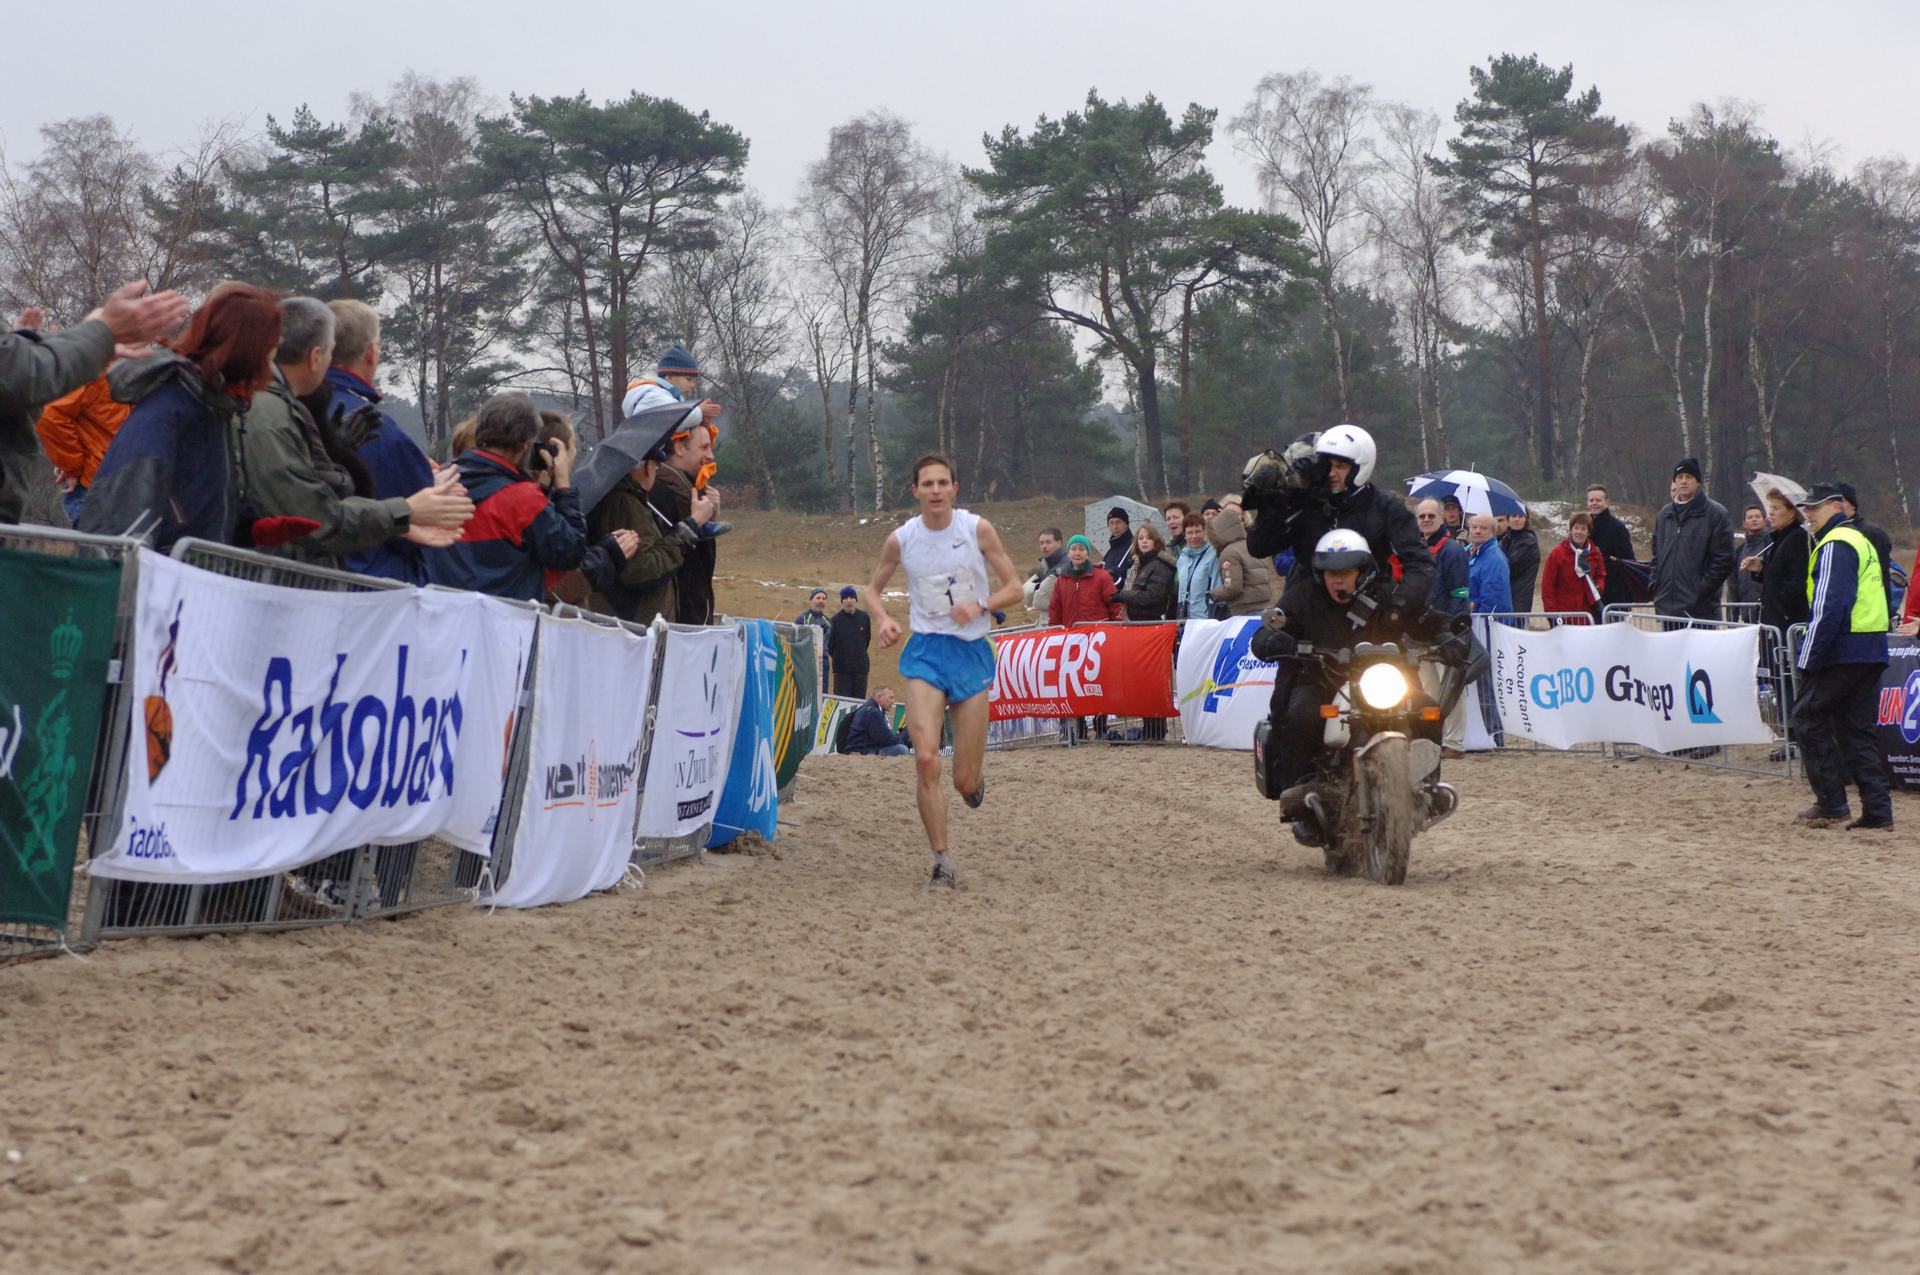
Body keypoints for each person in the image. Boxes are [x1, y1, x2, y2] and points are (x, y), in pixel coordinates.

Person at [864, 453, 1022, 889]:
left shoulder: (977, 529)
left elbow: (1015, 589)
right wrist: (884, 619)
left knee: (963, 780)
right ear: (915, 491)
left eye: (942, 483)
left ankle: (973, 783)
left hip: (970, 652)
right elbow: (872, 590)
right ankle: (941, 861)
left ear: (954, 488)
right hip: (926, 653)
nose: (935, 490)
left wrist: (980, 605)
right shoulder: (901, 539)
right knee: (925, 757)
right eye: (927, 484)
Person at [238, 297, 472, 566]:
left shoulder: (279, 405)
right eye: (329, 352)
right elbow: (313, 517)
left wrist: (334, 450)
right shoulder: (272, 414)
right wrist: (408, 509)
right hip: (338, 573)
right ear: (315, 357)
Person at [1251, 529, 1439, 829]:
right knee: (1302, 715)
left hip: (1380, 680)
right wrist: (1273, 640)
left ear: (1361, 572)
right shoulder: (1302, 597)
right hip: (1322, 678)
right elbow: (1270, 629)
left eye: (1345, 572)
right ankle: (1303, 789)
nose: (1337, 580)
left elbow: (1421, 618)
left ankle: (1428, 787)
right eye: (1331, 573)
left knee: (1428, 709)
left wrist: (1449, 633)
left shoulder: (1385, 595)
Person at [79, 286, 282, 547]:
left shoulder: (212, 407)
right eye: (268, 351)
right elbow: (117, 525)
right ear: (246, 352)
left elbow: (199, 504)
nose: (271, 367)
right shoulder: (171, 409)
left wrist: (249, 530)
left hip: (186, 568)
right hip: (163, 569)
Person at [3, 281, 188, 526]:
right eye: (133, 321)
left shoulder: (137, 372)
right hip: (95, 489)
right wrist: (74, 467)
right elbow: (52, 416)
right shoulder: (95, 369)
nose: (142, 332)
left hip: (125, 487)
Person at [1242, 424, 1433, 629]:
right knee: (1270, 642)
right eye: (1327, 465)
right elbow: (1259, 547)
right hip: (1309, 610)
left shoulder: (1385, 506)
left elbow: (1420, 564)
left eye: (1340, 466)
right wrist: (1278, 501)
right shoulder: (1307, 503)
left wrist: (1398, 608)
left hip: (1369, 611)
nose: (1331, 473)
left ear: (1360, 468)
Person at [428, 391, 611, 602]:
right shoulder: (523, 499)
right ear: (526, 445)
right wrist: (563, 486)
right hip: (504, 615)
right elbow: (570, 553)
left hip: (440, 611)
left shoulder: (439, 480)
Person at [1792, 482, 1892, 831]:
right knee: (1857, 730)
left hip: (1843, 650)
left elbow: (1829, 606)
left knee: (1807, 717)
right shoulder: (1859, 539)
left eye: (1814, 507)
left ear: (1837, 506)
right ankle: (1878, 812)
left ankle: (1832, 802)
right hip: (1871, 648)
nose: (1808, 513)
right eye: (1806, 507)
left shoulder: (1835, 543)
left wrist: (1808, 657)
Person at [322, 299, 439, 582]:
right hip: (374, 585)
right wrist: (439, 485)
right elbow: (425, 517)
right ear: (371, 354)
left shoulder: (296, 409)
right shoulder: (380, 431)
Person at [623, 343, 727, 537]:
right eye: (688, 379)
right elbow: (671, 419)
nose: (692, 385)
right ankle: (696, 523)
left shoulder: (664, 396)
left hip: (655, 459)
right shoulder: (652, 395)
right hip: (649, 461)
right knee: (676, 482)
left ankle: (702, 520)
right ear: (669, 377)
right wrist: (699, 411)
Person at [584, 434, 686, 626]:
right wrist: (682, 537)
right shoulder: (625, 504)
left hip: (628, 622)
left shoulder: (623, 499)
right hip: (634, 624)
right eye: (656, 466)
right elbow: (641, 569)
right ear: (648, 466)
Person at [35, 372, 130, 523]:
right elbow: (51, 417)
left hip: (107, 479)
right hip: (103, 482)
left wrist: (72, 466)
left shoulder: (100, 373)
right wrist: (72, 466)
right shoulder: (99, 375)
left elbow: (52, 416)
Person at [651, 422, 721, 624]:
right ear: (679, 448)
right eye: (704, 448)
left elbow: (703, 566)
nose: (711, 456)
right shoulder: (660, 491)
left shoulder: (688, 488)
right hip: (675, 622)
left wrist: (711, 519)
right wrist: (696, 521)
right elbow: (668, 558)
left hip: (693, 618)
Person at [1652, 457, 1734, 622]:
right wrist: (1655, 585)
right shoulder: (1664, 515)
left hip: (1701, 611)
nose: (1683, 481)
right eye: (1679, 477)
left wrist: (1699, 591)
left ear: (1698, 482)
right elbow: (1656, 557)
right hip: (1667, 609)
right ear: (1674, 481)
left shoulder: (1716, 514)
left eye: (1689, 476)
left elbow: (1723, 561)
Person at [1833, 482, 1894, 616]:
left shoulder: (1872, 533)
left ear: (1853, 505)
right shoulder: (1830, 534)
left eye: (1841, 501)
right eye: (1832, 502)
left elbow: (1881, 577)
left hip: (1868, 614)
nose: (1837, 506)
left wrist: (1884, 613)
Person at [1205, 503, 1276, 617]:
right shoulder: (1251, 546)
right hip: (1263, 606)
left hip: (1244, 609)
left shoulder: (1229, 553)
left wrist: (1212, 594)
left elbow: (1232, 588)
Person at [1540, 512, 1608, 623]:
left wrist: (1598, 587)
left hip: (1588, 615)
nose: (1579, 532)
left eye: (1583, 529)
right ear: (1571, 530)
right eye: (1576, 528)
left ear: (1588, 532)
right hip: (1564, 614)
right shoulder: (1558, 554)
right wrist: (1552, 615)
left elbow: (1601, 575)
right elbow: (1548, 586)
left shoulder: (1595, 553)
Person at [1585, 484, 1638, 612]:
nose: (1594, 503)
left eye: (1598, 500)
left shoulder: (1617, 528)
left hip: (1615, 595)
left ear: (1607, 502)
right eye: (1591, 500)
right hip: (1590, 594)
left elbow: (1628, 561)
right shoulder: (1584, 528)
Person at [1048, 534, 1118, 626]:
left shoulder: (1102, 577)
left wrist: (1117, 629)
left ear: (1087, 554)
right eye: (1073, 549)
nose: (1077, 553)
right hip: (1071, 632)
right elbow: (1055, 611)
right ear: (1068, 554)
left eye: (1081, 549)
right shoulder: (1061, 580)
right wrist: (1054, 631)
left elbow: (1115, 606)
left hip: (1097, 632)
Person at [1114, 524, 1178, 621]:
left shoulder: (1160, 565)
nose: (1144, 541)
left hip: (1150, 622)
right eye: (1141, 538)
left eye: (1149, 538)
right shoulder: (1137, 565)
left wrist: (1123, 595)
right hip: (1134, 621)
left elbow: (1152, 597)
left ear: (1156, 542)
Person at [827, 585, 872, 698]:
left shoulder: (864, 618)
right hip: (842, 671)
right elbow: (830, 645)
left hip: (861, 670)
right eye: (845, 598)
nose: (849, 601)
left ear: (856, 600)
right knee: (842, 702)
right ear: (842, 601)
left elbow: (867, 639)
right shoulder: (835, 620)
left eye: (851, 598)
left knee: (859, 703)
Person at [1463, 513, 1512, 615]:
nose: (1478, 531)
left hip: (1485, 621)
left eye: (1484, 528)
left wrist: (1472, 607)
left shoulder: (1495, 560)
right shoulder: (1465, 553)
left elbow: (1493, 601)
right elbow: (1465, 589)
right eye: (1474, 527)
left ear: (1493, 532)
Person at [844, 686, 911, 756]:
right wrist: (908, 732)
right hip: (862, 751)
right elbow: (887, 740)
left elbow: (885, 738)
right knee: (901, 749)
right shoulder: (873, 712)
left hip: (865, 749)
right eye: (890, 698)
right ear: (879, 697)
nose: (893, 701)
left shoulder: (871, 709)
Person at [1727, 503, 1769, 612]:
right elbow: (1733, 586)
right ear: (1744, 523)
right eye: (1750, 517)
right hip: (1747, 613)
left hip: (1767, 611)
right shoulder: (1739, 551)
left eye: (1758, 516)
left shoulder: (1772, 545)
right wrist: (1732, 616)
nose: (1754, 519)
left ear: (1764, 521)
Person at [1175, 516, 1219, 620]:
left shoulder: (1213, 555)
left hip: (1205, 618)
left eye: (1198, 531)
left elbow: (1216, 587)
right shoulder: (1182, 557)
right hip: (1185, 618)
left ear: (1205, 532)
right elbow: (1181, 591)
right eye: (1190, 532)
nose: (1194, 536)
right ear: (1185, 535)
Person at [1500, 507, 1541, 611]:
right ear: (1508, 518)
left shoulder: (1528, 542)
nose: (1517, 519)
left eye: (1521, 516)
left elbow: (1509, 567)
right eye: (1514, 516)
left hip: (1519, 600)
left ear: (1526, 519)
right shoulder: (1506, 539)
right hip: (1505, 596)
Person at [1023, 527, 1067, 615]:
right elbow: (1024, 595)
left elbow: (1041, 601)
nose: (1044, 546)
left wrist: (1033, 590)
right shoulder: (1046, 566)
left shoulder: (1063, 566)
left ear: (1059, 543)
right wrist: (1037, 590)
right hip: (1048, 617)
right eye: (1041, 543)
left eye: (1048, 542)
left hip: (1061, 618)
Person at [1101, 506, 1133, 590]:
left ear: (1126, 524)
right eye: (1111, 523)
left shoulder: (1134, 547)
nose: (1115, 526)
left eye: (1118, 522)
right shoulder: (1109, 552)